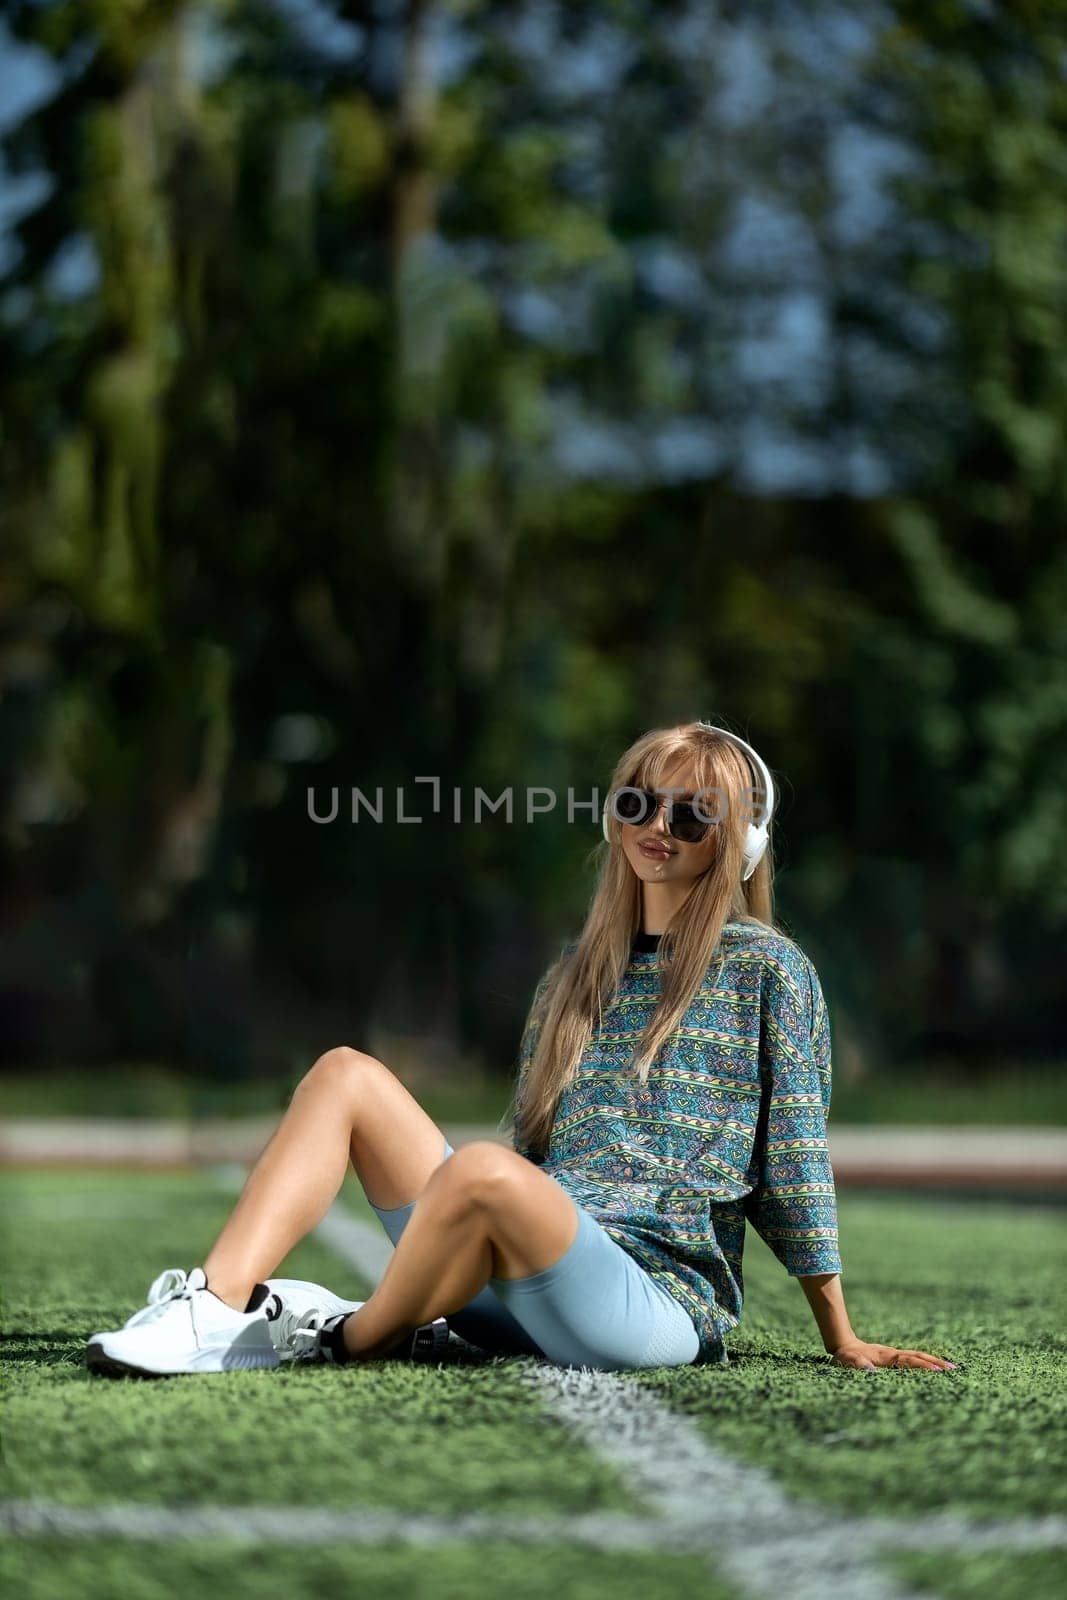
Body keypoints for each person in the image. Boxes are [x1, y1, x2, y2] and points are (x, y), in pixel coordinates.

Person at [86, 719, 957, 1378]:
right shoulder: (570, 980)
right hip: (521, 1282)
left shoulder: (769, 971)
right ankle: (214, 1308)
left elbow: (794, 1160)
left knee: (483, 1173)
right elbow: (533, 1147)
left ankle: (343, 1336)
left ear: (739, 842)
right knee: (346, 1075)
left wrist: (838, 1332)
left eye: (692, 814)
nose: (658, 824)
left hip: (650, 1307)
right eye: (637, 802)